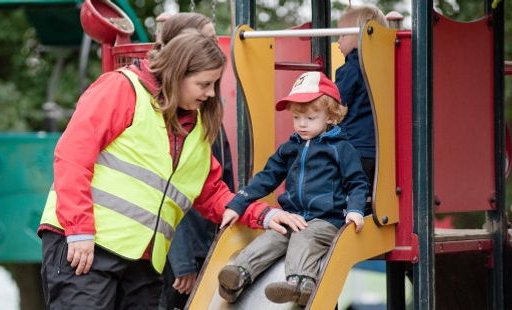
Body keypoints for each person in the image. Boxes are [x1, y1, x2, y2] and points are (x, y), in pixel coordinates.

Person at [38, 30, 306, 309]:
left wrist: (262, 214)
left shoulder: (196, 128)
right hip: (88, 247)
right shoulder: (122, 89)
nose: (211, 93)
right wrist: (79, 231)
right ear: (177, 73)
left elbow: (212, 194)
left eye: (214, 84)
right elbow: (72, 157)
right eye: (204, 84)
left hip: (143, 262)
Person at [216, 71, 369, 306]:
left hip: (326, 221)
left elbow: (357, 182)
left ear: (330, 116)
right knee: (273, 236)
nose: (302, 124)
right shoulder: (291, 147)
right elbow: (267, 177)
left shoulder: (341, 148)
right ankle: (238, 275)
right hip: (295, 217)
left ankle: (301, 284)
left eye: (310, 117)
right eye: (297, 117)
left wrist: (356, 209)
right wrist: (239, 201)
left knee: (304, 236)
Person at [151, 12, 234, 310]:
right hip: (183, 249)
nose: (215, 45)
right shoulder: (176, 114)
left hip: (204, 236)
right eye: (207, 39)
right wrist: (183, 258)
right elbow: (173, 190)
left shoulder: (199, 106)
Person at [336, 4, 388, 186]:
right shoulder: (386, 66)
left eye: (343, 35)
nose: (338, 42)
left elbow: (337, 106)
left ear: (362, 36)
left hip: (353, 148)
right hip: (381, 150)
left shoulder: (350, 68)